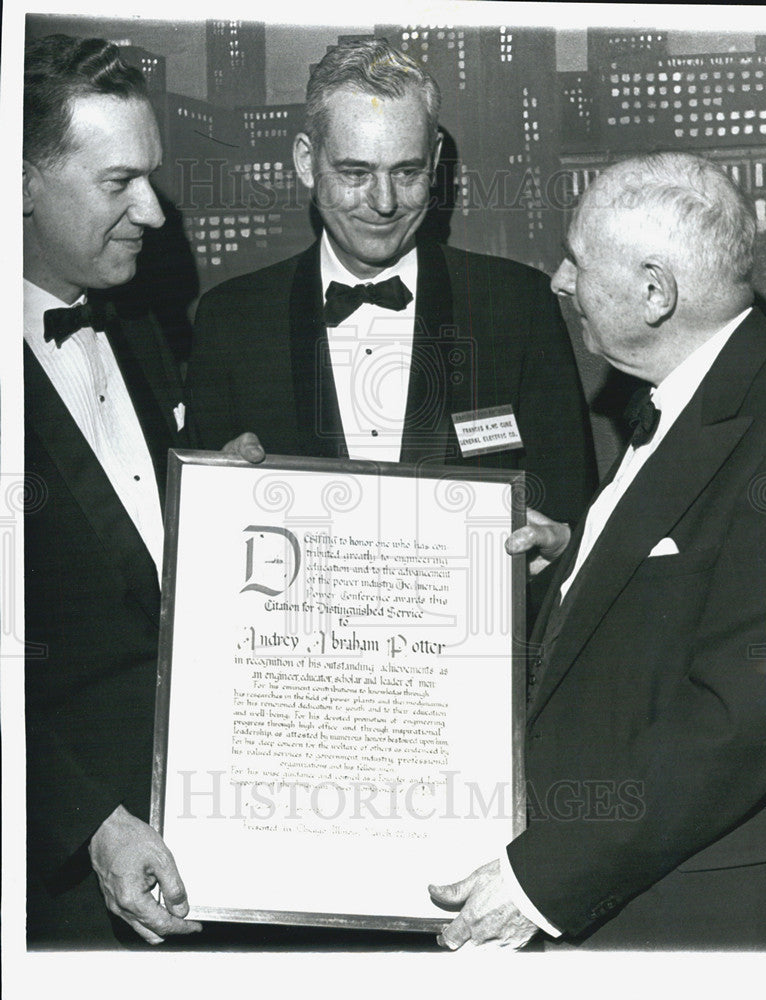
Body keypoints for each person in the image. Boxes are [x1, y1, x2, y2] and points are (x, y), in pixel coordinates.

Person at [429, 152, 766, 950]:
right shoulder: (693, 390)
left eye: (577, 261)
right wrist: (581, 559)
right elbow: (707, 569)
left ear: (654, 292)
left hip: (678, 915)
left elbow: (740, 718)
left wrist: (539, 880)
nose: (557, 279)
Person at [23, 35, 263, 948]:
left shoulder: (135, 326)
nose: (154, 213)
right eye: (118, 182)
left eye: (151, 178)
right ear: (20, 184)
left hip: (201, 840)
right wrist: (88, 821)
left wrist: (209, 498)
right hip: (61, 878)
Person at [188, 39, 596, 538]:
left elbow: (571, 511)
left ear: (436, 160)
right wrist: (211, 501)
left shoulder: (518, 305)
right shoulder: (231, 321)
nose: (384, 203)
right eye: (355, 173)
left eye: (407, 172)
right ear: (304, 161)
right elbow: (201, 535)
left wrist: (560, 541)